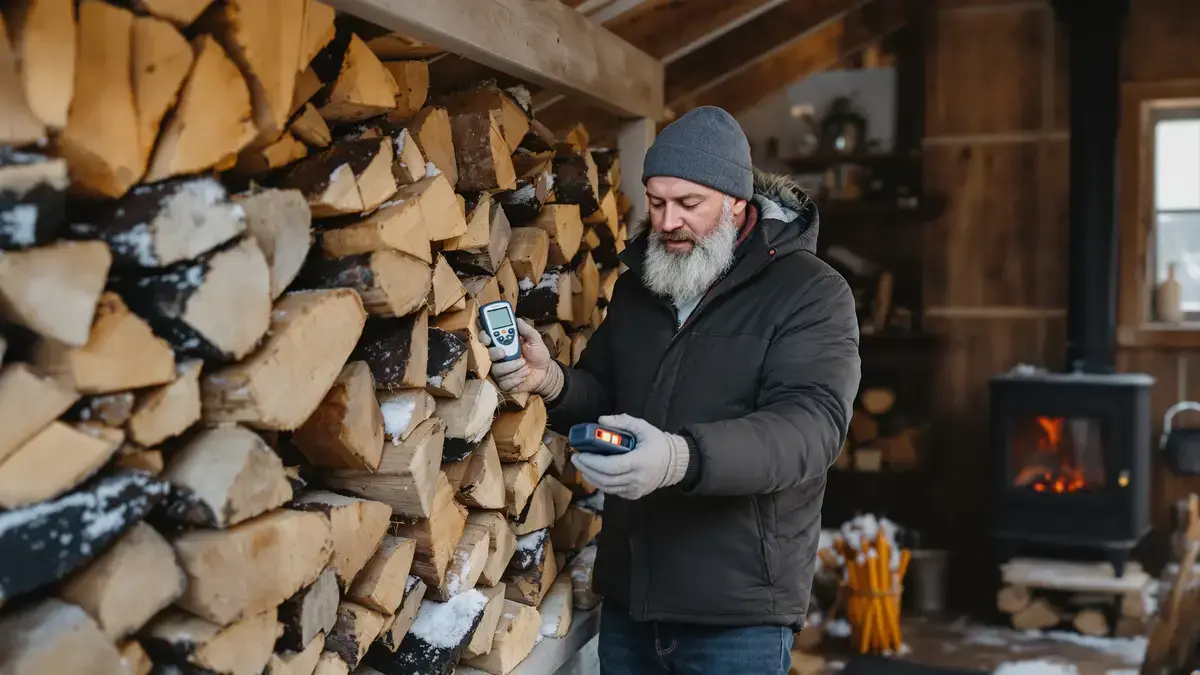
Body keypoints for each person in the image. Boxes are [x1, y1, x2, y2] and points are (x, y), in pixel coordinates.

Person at [481, 106, 861, 674]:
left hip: (737, 618)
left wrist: (680, 458)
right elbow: (605, 395)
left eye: (688, 203)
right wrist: (551, 381)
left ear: (737, 202)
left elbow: (810, 429)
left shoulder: (811, 292)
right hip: (632, 602)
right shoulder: (642, 286)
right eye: (657, 203)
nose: (667, 222)